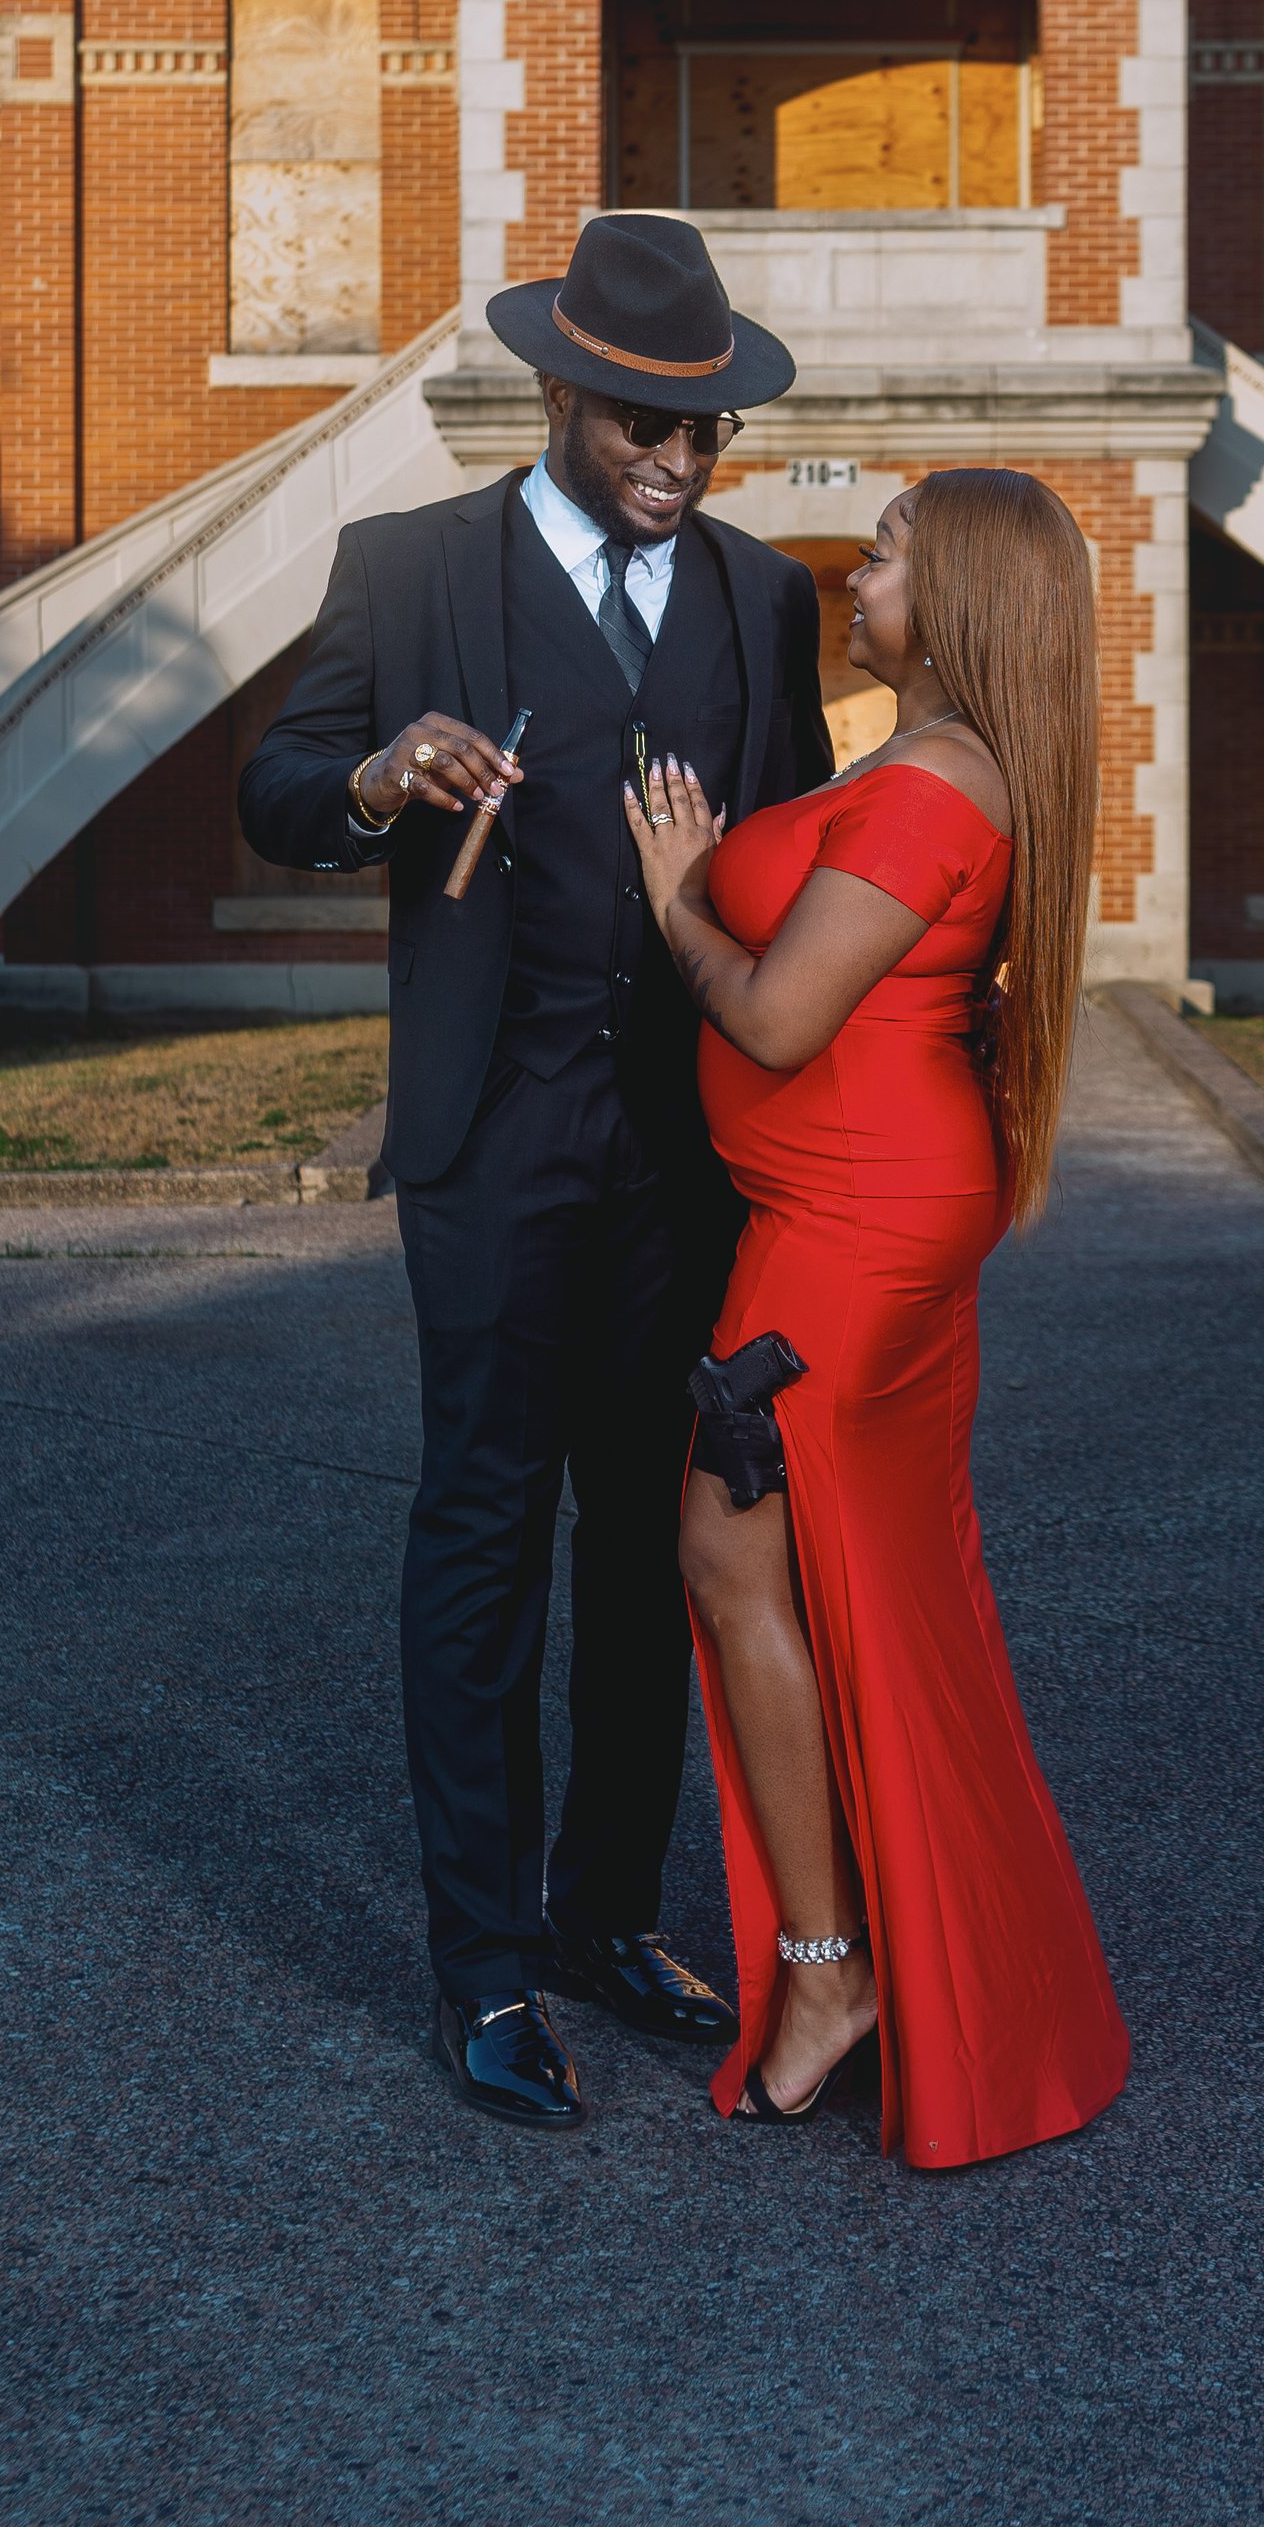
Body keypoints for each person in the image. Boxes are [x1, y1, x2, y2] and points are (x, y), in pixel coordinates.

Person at [238, 216, 832, 2130]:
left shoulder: (759, 598)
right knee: (483, 1541)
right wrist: (374, 775)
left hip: (688, 1160)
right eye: (650, 422)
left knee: (653, 1550)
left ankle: (601, 1914)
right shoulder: (408, 572)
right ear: (564, 393)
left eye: (709, 430)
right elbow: (275, 786)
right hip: (493, 1142)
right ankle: (482, 1965)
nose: (680, 459)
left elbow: (811, 850)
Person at [624, 465, 1130, 2168]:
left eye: (896, 550)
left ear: (968, 594)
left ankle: (832, 1972)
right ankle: (923, 1958)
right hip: (860, 1203)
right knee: (876, 1581)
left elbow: (774, 1020)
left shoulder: (933, 792)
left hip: (847, 1223)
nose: (866, 566)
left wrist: (678, 897)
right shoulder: (927, 761)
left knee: (727, 1545)